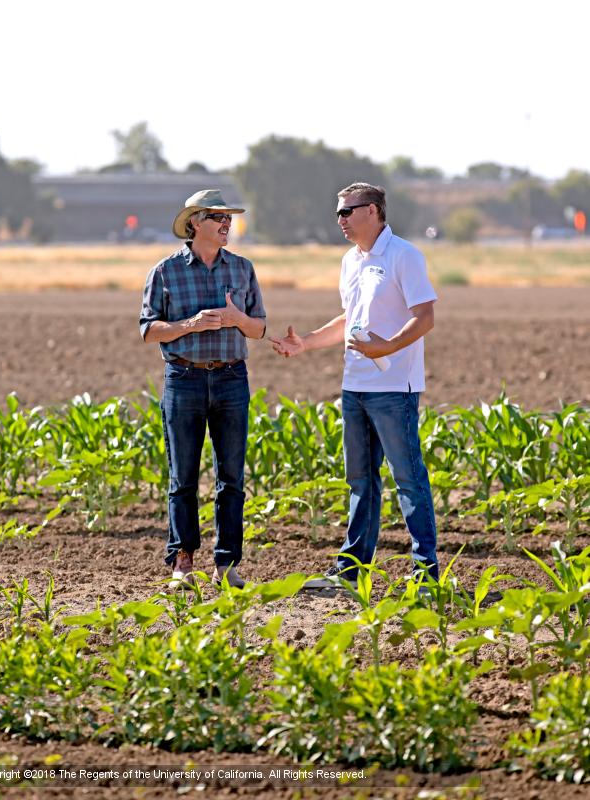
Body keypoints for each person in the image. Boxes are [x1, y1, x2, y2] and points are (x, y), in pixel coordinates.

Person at [270, 182, 438, 589]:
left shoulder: (404, 255)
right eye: (338, 213)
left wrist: (389, 345)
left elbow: (425, 316)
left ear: (374, 211)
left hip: (395, 387)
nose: (340, 220)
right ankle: (350, 570)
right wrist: (306, 343)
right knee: (360, 480)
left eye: (348, 211)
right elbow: (349, 319)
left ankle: (426, 573)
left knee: (408, 479)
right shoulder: (350, 261)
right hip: (355, 386)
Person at [140, 189, 266, 589]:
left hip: (232, 379)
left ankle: (226, 564)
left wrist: (235, 318)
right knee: (183, 477)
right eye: (217, 217)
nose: (226, 224)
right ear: (194, 223)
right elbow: (148, 329)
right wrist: (190, 324)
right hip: (184, 379)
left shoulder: (243, 269)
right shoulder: (164, 272)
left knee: (232, 477)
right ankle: (182, 560)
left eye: (228, 218)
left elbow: (260, 328)